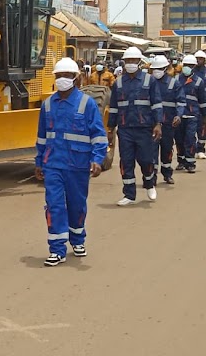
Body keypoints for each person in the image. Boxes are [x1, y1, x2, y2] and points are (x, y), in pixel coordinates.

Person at [35, 57, 107, 267]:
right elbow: (41, 137)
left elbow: (99, 135)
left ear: (75, 78)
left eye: (66, 76)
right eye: (59, 76)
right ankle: (57, 249)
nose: (62, 79)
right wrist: (39, 161)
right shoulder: (47, 105)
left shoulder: (87, 104)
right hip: (53, 165)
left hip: (77, 165)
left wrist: (97, 159)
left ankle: (77, 239)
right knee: (54, 206)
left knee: (76, 206)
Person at [107, 46, 163, 206]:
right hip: (124, 129)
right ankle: (129, 194)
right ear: (124, 62)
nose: (130, 63)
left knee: (146, 159)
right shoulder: (118, 83)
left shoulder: (149, 80)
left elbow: (157, 104)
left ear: (139, 62)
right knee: (126, 161)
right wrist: (111, 128)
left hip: (144, 128)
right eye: (128, 60)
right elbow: (113, 108)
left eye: (133, 60)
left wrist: (158, 124)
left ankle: (149, 183)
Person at [149, 55, 185, 185]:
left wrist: (178, 115)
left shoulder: (173, 83)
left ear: (165, 68)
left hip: (168, 123)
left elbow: (181, 101)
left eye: (159, 68)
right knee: (151, 150)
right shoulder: (148, 82)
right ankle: (151, 176)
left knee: (167, 149)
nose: (156, 71)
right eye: (154, 68)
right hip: (152, 123)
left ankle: (167, 173)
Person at [174, 54, 206, 173]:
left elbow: (202, 101)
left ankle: (190, 162)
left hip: (193, 115)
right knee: (179, 139)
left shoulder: (199, 82)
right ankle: (181, 161)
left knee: (190, 139)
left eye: (190, 65)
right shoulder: (176, 79)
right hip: (179, 115)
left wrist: (204, 116)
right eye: (186, 65)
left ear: (194, 67)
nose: (188, 67)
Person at [193, 50, 206, 159]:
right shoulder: (191, 71)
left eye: (200, 59)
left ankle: (201, 148)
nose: (198, 61)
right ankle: (191, 149)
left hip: (204, 101)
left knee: (202, 126)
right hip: (192, 102)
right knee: (190, 128)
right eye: (197, 58)